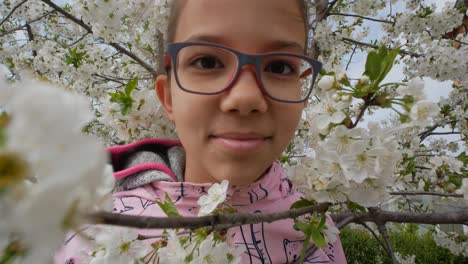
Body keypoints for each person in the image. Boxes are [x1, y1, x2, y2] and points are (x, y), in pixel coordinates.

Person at [55, 0, 347, 263]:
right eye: (207, 62)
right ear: (168, 97)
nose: (245, 97)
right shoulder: (92, 229)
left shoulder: (313, 225)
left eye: (281, 67)